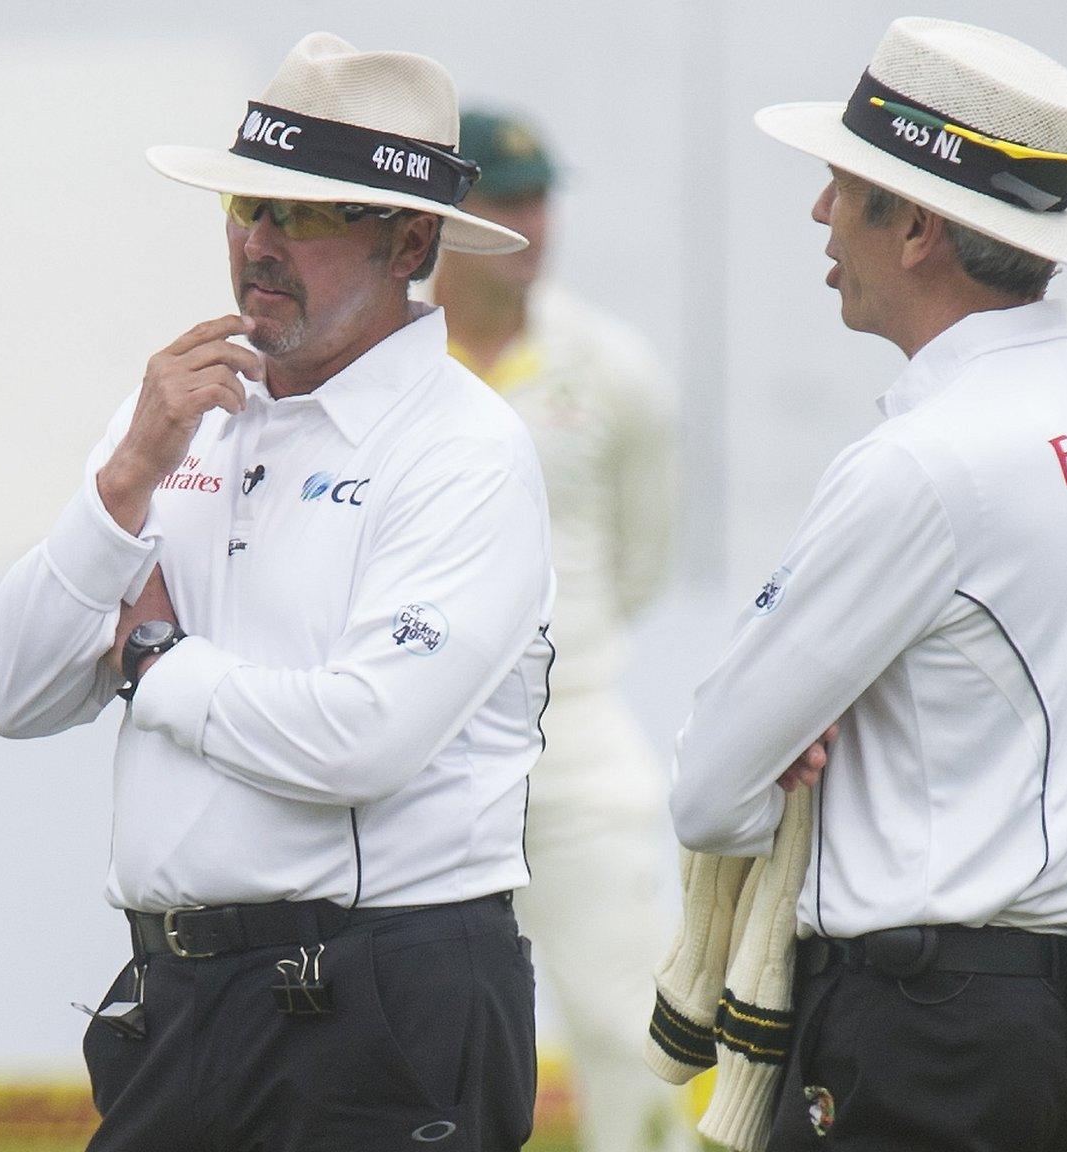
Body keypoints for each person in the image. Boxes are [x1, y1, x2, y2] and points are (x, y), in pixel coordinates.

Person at [0, 32, 553, 1150]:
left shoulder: (464, 450)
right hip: (178, 1000)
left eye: (308, 213)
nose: (260, 241)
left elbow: (360, 739)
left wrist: (153, 665)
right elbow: (12, 692)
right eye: (246, 205)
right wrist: (128, 473)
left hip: (384, 1003)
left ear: (410, 239)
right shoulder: (173, 414)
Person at [668, 17, 1067, 1150]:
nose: (817, 215)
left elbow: (708, 789)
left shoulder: (926, 462)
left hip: (918, 1028)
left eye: (843, 186)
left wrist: (781, 763)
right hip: (1053, 1010)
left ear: (917, 230)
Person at [433, 109, 691, 1152]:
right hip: (414, 742)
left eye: (540, 197)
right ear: (439, 220)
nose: (531, 222)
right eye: (502, 199)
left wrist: (551, 669)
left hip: (572, 729)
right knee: (416, 1029)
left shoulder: (613, 369)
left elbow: (640, 563)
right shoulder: (383, 363)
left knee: (629, 1020)